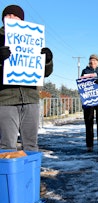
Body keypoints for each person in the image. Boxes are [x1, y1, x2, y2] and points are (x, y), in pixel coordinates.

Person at [0, 5, 53, 151]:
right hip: (5, 99)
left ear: (21, 20)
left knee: (31, 145)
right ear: (3, 18)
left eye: (15, 16)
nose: (11, 18)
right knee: (7, 145)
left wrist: (47, 60)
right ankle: (9, 174)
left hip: (30, 98)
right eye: (8, 15)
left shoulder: (32, 38)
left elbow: (45, 73)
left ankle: (30, 174)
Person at [80, 54, 98, 152]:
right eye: (91, 61)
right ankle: (89, 145)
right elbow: (81, 84)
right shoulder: (85, 71)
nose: (93, 62)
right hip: (89, 100)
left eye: (95, 61)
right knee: (88, 122)